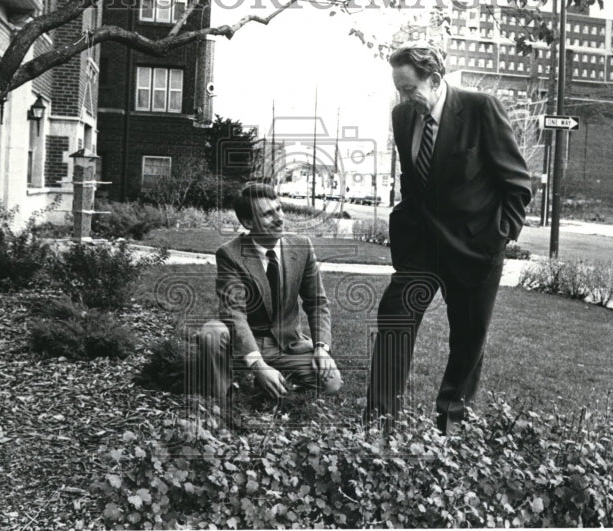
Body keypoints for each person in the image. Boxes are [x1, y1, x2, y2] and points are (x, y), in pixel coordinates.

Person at [366, 44, 532, 433]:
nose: (404, 99)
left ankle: (450, 430)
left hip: (476, 250)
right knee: (394, 323)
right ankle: (379, 426)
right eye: (399, 90)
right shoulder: (402, 116)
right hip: (421, 249)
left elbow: (517, 184)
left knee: (467, 345)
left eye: (410, 89)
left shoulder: (481, 108)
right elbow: (415, 180)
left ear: (436, 80)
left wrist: (496, 238)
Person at [195, 181, 342, 407]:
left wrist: (322, 348)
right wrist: (259, 365)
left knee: (331, 383)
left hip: (289, 343)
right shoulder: (230, 254)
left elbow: (317, 303)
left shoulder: (301, 246)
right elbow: (234, 314)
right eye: (267, 214)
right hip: (247, 343)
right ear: (248, 222)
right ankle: (222, 402)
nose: (279, 218)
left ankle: (264, 386)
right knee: (212, 332)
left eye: (279, 209)